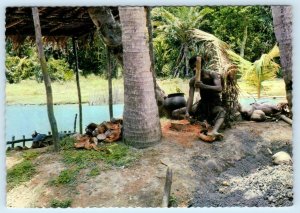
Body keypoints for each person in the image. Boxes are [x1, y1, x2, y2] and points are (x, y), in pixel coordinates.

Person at [185, 56, 226, 137]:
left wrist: (204, 86)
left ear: (201, 66)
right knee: (178, 113)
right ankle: (200, 122)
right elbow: (190, 98)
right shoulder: (193, 81)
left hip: (214, 104)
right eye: (192, 67)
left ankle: (214, 131)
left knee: (222, 111)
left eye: (195, 67)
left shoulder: (212, 74)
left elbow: (219, 88)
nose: (193, 69)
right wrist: (187, 111)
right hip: (202, 105)